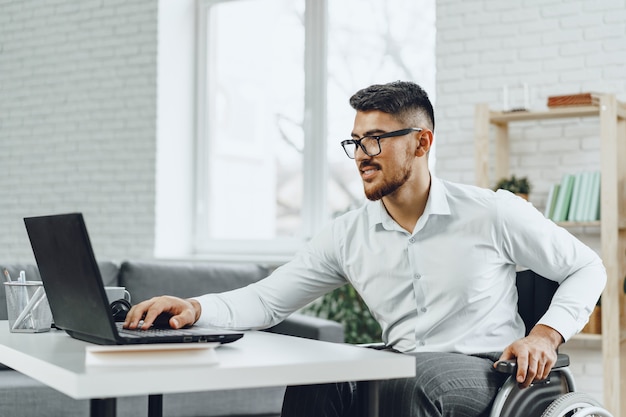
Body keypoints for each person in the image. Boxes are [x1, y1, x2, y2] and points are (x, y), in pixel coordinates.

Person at [124, 81, 606, 417]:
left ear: (421, 142)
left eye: (375, 140)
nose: (359, 156)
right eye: (354, 142)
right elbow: (268, 300)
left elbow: (588, 267)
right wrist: (192, 307)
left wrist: (544, 335)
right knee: (321, 379)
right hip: (398, 362)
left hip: (486, 370)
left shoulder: (491, 212)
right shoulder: (347, 234)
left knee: (413, 381)